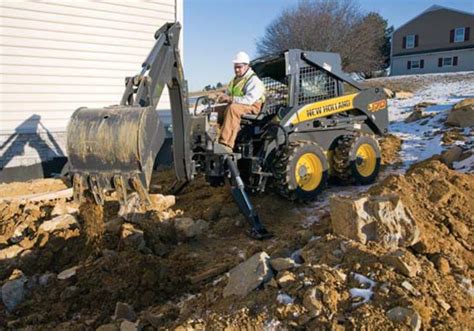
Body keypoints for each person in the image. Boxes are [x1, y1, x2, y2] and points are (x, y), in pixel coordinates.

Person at [216, 51, 265, 153]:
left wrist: (230, 99)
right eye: (235, 67)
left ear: (247, 66)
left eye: (239, 67)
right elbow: (229, 94)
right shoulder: (235, 80)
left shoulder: (253, 81)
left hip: (252, 106)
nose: (237, 69)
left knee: (233, 109)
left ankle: (226, 144)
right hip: (239, 104)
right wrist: (222, 97)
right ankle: (210, 137)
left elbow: (249, 100)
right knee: (214, 110)